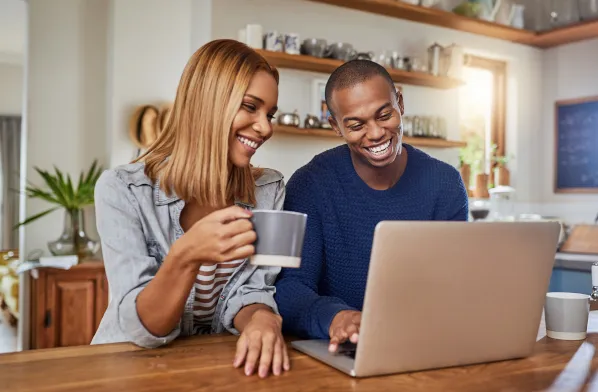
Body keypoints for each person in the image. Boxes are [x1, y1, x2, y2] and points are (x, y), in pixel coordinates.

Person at [92, 39, 289, 378]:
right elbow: (143, 330)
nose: (266, 127)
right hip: (128, 369)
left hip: (214, 367)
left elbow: (254, 289)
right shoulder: (121, 190)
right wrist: (186, 255)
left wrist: (262, 319)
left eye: (269, 114)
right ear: (208, 103)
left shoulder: (269, 188)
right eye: (250, 107)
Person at [274, 60, 468, 353]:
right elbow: (289, 288)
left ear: (400, 104)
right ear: (335, 126)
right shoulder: (309, 184)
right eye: (355, 124)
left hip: (424, 343)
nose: (376, 133)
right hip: (340, 348)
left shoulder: (445, 183)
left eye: (384, 114)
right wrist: (337, 317)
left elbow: (456, 284)